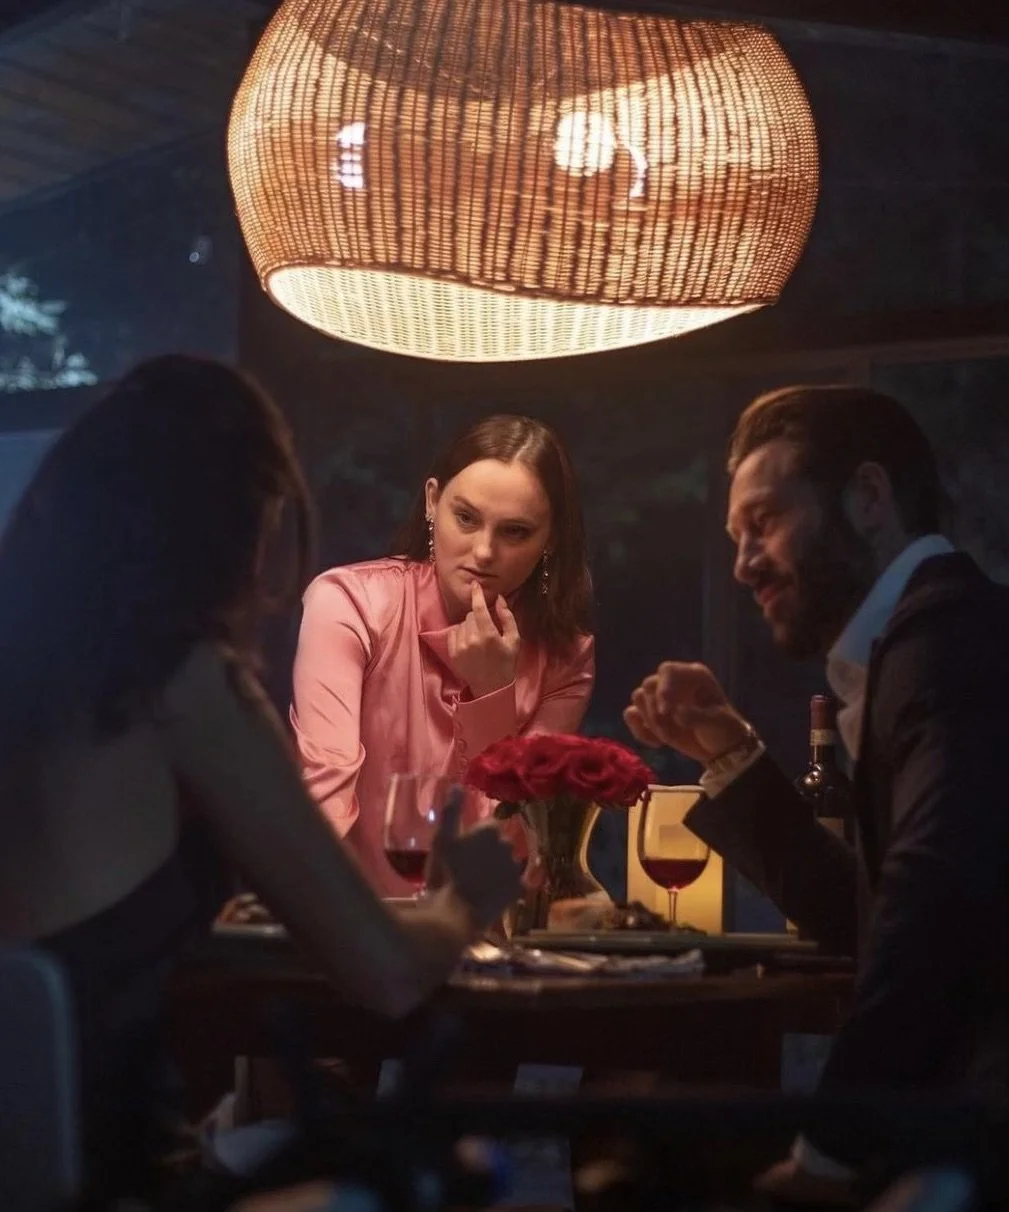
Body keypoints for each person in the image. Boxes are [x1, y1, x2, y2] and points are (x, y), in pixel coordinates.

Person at [0, 356, 521, 1205]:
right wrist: (464, 903)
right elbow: (384, 973)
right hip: (111, 1181)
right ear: (250, 524)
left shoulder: (27, 677)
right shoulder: (179, 680)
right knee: (441, 1178)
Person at [625, 385, 1008, 1200]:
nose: (740, 563)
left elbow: (933, 906)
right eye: (734, 537)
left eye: (761, 521)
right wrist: (728, 752)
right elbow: (866, 919)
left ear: (867, 497)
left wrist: (827, 1152)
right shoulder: (918, 642)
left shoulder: (949, 642)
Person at [291, 414, 596, 895]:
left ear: (550, 539)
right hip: (353, 926)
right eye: (467, 518)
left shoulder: (565, 660)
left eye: (515, 532)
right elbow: (324, 788)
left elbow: (516, 846)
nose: (484, 552)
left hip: (484, 941)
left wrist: (494, 695)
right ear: (433, 501)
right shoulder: (350, 603)